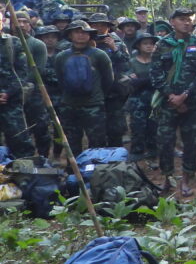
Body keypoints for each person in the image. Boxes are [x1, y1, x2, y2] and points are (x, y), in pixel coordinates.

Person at [150, 8, 196, 197]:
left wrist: (185, 95)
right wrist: (171, 96)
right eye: (182, 19)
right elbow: (155, 73)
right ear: (172, 22)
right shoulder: (162, 45)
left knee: (191, 143)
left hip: (192, 103)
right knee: (165, 142)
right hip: (167, 103)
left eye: (189, 20)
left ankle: (186, 180)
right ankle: (167, 178)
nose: (187, 23)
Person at [53, 20, 113, 155]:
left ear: (89, 35)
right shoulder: (61, 56)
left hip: (94, 105)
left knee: (97, 142)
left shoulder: (99, 55)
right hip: (69, 105)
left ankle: (94, 172)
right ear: (70, 35)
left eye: (84, 32)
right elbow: (60, 80)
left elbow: (108, 80)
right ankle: (73, 171)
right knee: (71, 141)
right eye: (77, 32)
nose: (81, 35)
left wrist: (98, 96)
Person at [90, 13, 131, 147]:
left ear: (108, 27)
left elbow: (126, 64)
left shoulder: (117, 41)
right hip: (92, 91)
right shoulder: (85, 41)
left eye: (103, 25)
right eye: (95, 25)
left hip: (114, 91)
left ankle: (116, 155)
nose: (99, 28)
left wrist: (114, 49)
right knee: (95, 128)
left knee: (115, 127)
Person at [14, 10, 50, 155]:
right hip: (10, 96)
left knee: (40, 128)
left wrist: (21, 85)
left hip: (33, 94)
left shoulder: (37, 45)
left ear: (30, 24)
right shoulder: (6, 42)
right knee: (16, 131)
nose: (21, 25)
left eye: (25, 22)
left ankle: (43, 158)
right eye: (18, 22)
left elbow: (38, 70)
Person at [0, 19, 35, 159]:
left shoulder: (13, 43)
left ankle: (23, 176)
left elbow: (22, 73)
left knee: (19, 141)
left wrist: (7, 94)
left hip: (11, 102)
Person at [126, 33, 159, 166]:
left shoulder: (157, 61)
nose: (149, 46)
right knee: (137, 126)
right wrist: (146, 81)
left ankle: (152, 152)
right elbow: (130, 82)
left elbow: (158, 80)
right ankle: (137, 152)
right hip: (136, 100)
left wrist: (140, 80)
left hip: (155, 100)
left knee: (153, 126)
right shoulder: (132, 62)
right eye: (145, 43)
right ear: (139, 46)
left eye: (151, 43)